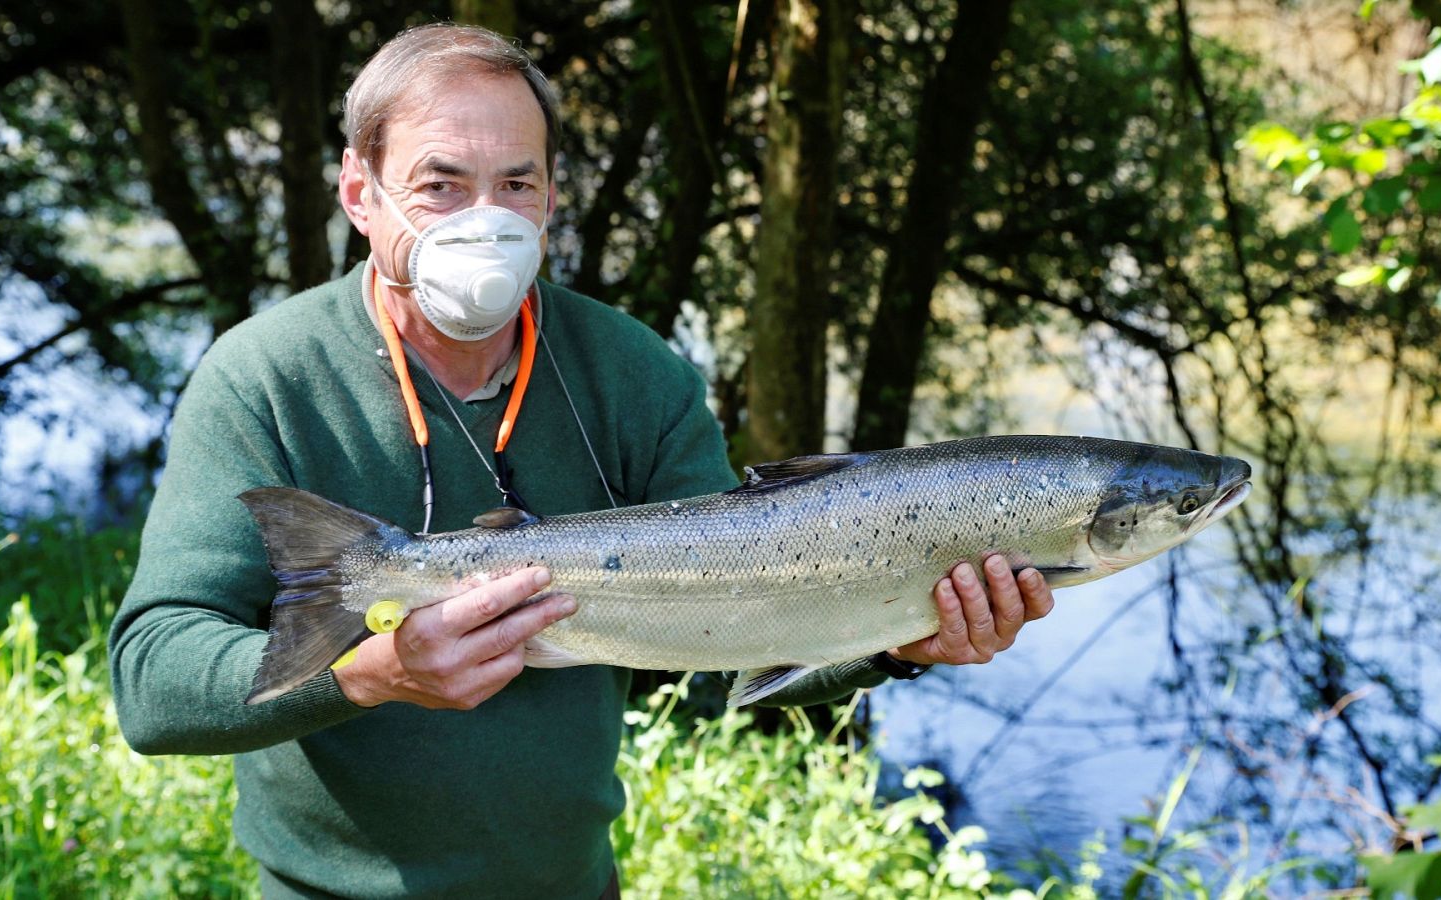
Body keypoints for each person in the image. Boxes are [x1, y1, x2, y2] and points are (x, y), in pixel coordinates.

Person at [109, 23, 1056, 899]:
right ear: (361, 191)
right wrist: (371, 672)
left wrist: (896, 641)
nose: (487, 217)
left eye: (517, 184)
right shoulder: (263, 378)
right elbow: (152, 681)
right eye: (441, 184)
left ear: (554, 195)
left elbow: (727, 652)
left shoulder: (634, 374)